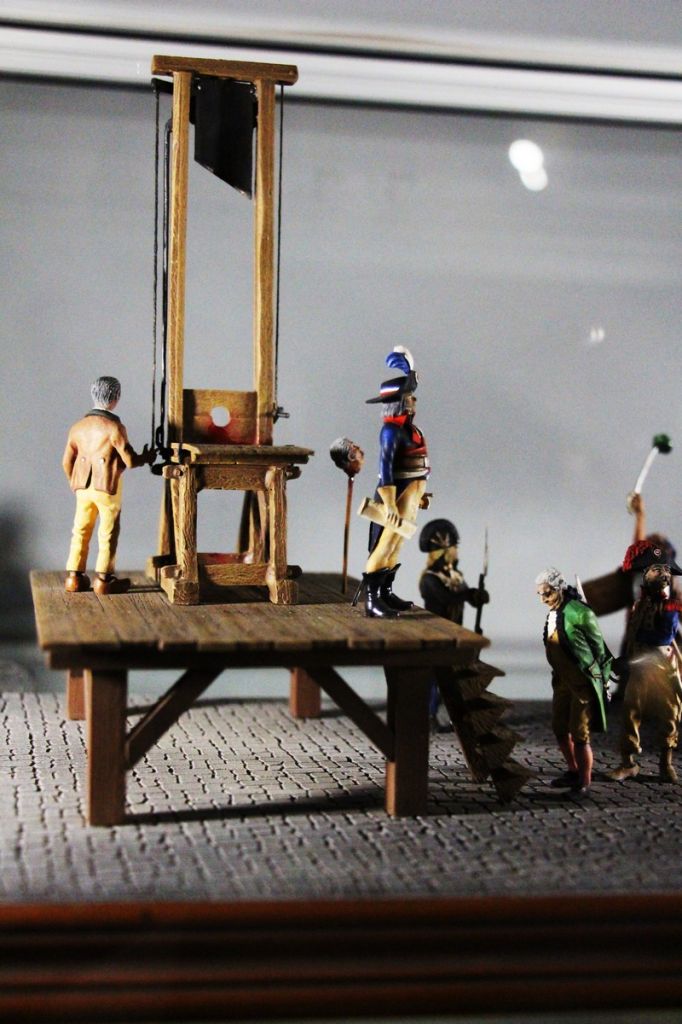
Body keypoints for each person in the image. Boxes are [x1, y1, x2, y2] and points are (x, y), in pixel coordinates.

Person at [62, 376, 152, 595]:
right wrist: (146, 457)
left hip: (82, 487)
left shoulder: (77, 427)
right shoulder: (114, 427)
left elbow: (66, 462)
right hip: (107, 486)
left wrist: (75, 483)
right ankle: (104, 579)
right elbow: (130, 460)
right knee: (108, 531)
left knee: (80, 529)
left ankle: (74, 577)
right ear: (116, 397)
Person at [358, 347, 430, 618]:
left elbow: (415, 466)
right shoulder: (390, 431)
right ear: (399, 402)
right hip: (395, 496)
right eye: (409, 397)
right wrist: (389, 504)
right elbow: (385, 468)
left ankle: (385, 592)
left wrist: (420, 495)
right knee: (385, 544)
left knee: (397, 545)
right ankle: (372, 600)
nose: (414, 401)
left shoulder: (409, 429)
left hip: (409, 494)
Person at [609, 542, 682, 783]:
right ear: (646, 573)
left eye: (666, 570)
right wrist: (625, 659)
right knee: (631, 711)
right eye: (657, 569)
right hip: (640, 668)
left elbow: (663, 635)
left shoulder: (671, 604)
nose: (664, 574)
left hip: (663, 666)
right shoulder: (639, 605)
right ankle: (628, 763)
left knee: (669, 713)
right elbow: (633, 635)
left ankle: (665, 762)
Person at [536, 567, 612, 797]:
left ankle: (584, 781)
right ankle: (573, 770)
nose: (543, 599)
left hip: (582, 682)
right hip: (561, 680)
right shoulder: (552, 613)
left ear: (558, 588)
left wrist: (604, 682)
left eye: (547, 593)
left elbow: (601, 651)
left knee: (580, 733)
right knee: (559, 727)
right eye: (540, 594)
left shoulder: (580, 613)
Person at [419, 518, 489, 729]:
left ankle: (457, 716)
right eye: (454, 547)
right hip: (437, 636)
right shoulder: (430, 579)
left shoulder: (455, 576)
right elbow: (447, 598)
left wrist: (477, 595)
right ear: (444, 550)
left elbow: (465, 596)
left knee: (455, 678)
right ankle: (428, 716)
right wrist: (467, 594)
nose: (456, 551)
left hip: (454, 636)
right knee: (435, 678)